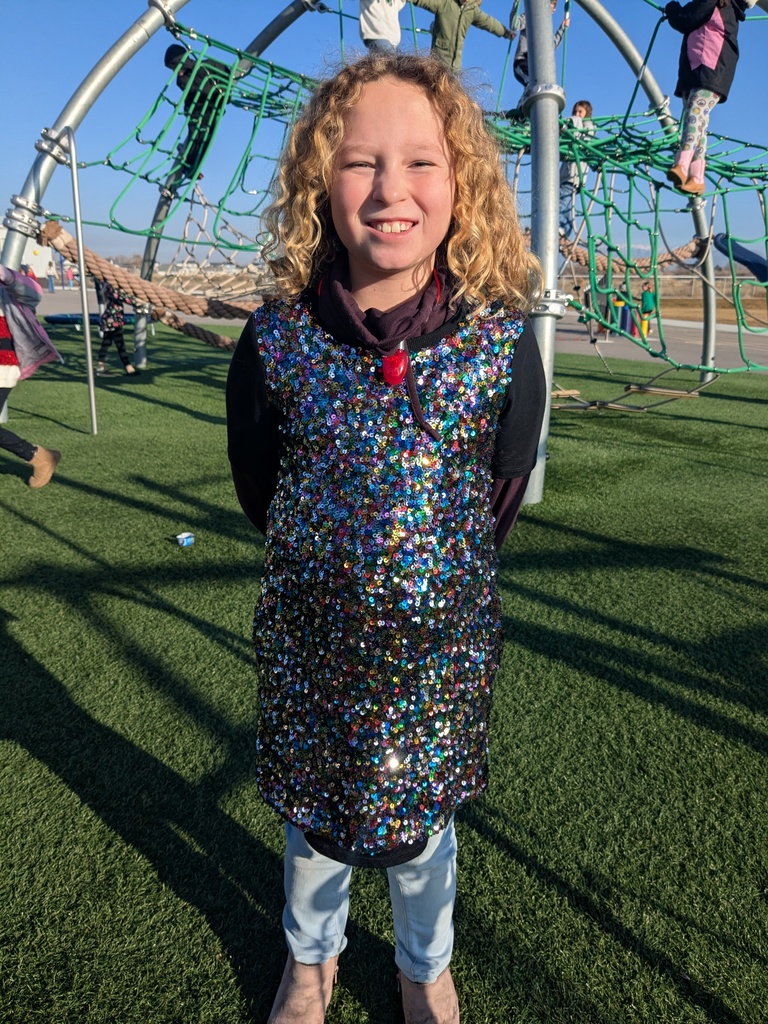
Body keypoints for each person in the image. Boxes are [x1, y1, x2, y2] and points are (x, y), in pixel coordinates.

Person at [226, 51, 546, 1024]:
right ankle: (311, 964)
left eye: (422, 161)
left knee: (420, 834)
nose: (391, 188)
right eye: (361, 161)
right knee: (315, 824)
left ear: (464, 184)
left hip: (435, 656)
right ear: (321, 178)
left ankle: (423, 966)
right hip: (315, 641)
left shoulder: (499, 341)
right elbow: (258, 479)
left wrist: (419, 568)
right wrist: (341, 562)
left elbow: (502, 483)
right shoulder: (279, 337)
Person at [664, 0, 754, 195]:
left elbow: (684, 19)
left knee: (695, 112)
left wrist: (671, 7)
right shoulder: (727, 9)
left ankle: (682, 163)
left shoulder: (716, 2)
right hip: (695, 70)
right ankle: (697, 177)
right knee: (700, 122)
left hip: (709, 69)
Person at [0, 264, 62, 487]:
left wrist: (6, 275)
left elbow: (34, 292)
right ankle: (39, 457)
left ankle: (39, 457)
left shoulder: (7, 289)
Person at [164, 44, 230, 181]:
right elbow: (200, 89)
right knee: (197, 136)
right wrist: (220, 93)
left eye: (174, 67)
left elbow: (221, 70)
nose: (175, 71)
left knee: (204, 137)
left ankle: (191, 165)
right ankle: (190, 166)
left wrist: (224, 93)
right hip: (197, 111)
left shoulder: (204, 67)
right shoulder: (182, 79)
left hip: (208, 109)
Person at [410, 0, 512, 72]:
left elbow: (488, 22)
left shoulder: (471, 10)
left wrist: (505, 32)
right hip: (438, 60)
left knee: (451, 92)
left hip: (455, 65)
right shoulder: (445, 3)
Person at [509, 0, 569, 88]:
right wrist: (516, 4)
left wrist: (562, 27)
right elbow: (514, 25)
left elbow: (551, 45)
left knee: (543, 85)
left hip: (537, 66)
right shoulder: (530, 17)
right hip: (522, 61)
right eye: (553, 5)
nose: (555, 10)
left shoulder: (546, 29)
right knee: (532, 83)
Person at [559, 99, 594, 239]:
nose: (577, 114)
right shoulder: (578, 128)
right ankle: (564, 229)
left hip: (573, 175)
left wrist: (572, 121)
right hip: (568, 174)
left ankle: (560, 227)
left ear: (587, 113)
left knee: (563, 201)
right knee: (566, 202)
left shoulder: (586, 126)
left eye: (580, 112)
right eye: (575, 112)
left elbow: (581, 137)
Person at [95, 281, 139, 377]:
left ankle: (100, 367)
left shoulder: (107, 286)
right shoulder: (113, 288)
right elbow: (126, 299)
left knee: (106, 343)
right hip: (113, 321)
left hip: (110, 319)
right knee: (120, 344)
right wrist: (139, 301)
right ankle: (129, 368)